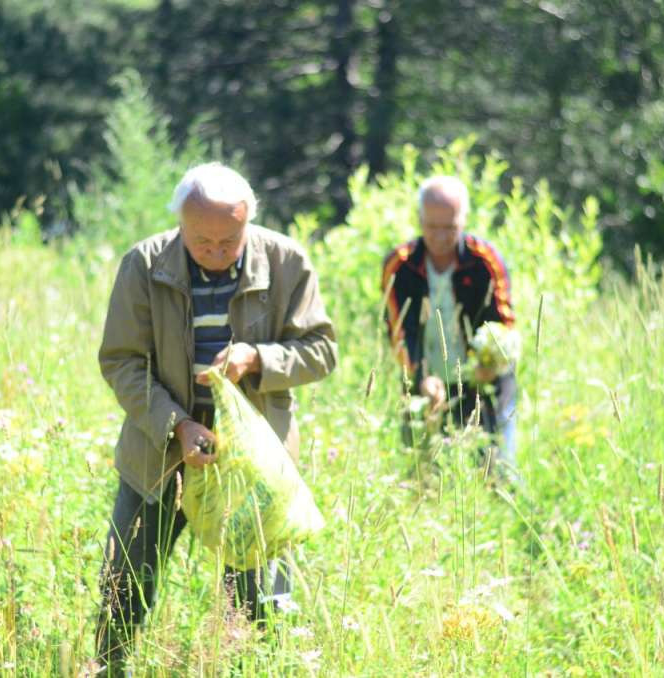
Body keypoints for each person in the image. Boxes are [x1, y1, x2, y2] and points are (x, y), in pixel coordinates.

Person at [94, 162, 337, 669]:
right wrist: (178, 425)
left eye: (230, 241)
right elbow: (121, 361)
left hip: (252, 464)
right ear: (180, 223)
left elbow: (320, 351)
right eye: (202, 241)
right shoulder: (144, 264)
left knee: (264, 605)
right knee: (124, 588)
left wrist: (258, 358)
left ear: (248, 221)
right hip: (157, 453)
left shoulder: (285, 260)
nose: (217, 252)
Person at [381, 175, 518, 481]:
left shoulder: (485, 261)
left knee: (497, 472)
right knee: (421, 472)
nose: (441, 237)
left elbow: (505, 322)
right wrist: (420, 377)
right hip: (423, 380)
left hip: (486, 381)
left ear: (464, 221)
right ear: (419, 220)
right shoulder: (400, 264)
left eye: (450, 227)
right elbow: (398, 332)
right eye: (432, 226)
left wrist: (489, 364)